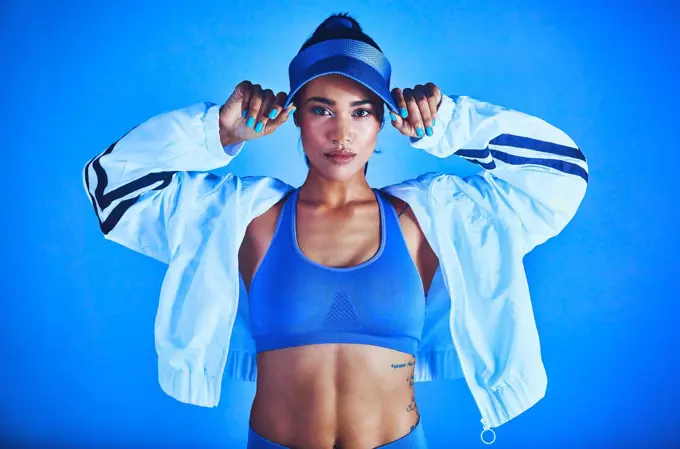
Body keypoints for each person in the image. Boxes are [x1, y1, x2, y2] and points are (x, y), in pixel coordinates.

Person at [82, 12, 588, 449]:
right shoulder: (240, 218)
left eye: (361, 112)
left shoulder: (434, 219)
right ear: (295, 116)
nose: (341, 133)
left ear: (385, 121)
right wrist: (217, 129)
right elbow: (112, 187)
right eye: (322, 109)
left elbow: (561, 174)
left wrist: (453, 123)